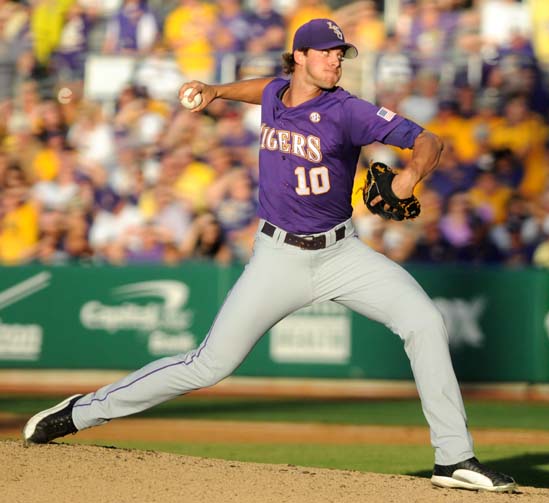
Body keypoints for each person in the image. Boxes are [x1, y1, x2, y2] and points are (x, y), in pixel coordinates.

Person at [22, 18, 516, 493]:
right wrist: (216, 90)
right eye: (325, 52)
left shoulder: (348, 110)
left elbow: (430, 139)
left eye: (340, 53)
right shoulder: (274, 94)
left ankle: (453, 457)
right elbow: (261, 86)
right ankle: (80, 412)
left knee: (425, 321)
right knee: (208, 365)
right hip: (277, 257)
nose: (335, 60)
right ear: (299, 57)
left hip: (342, 255)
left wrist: (411, 176)